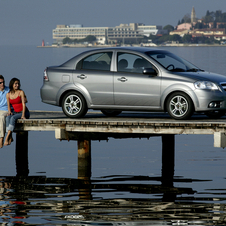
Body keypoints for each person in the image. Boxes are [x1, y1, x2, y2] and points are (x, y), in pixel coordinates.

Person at [4, 78, 29, 146]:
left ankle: (7, 137)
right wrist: (9, 112)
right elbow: (9, 105)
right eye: (16, 84)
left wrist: (23, 115)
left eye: (18, 84)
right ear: (12, 84)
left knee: (13, 118)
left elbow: (24, 105)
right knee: (8, 118)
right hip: (15, 112)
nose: (17, 85)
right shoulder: (8, 94)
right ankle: (11, 137)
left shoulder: (21, 92)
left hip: (24, 112)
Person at [0, 75, 9, 148]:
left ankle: (1, 138)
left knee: (2, 117)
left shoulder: (8, 90)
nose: (2, 84)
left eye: (3, 82)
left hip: (6, 109)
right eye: (0, 83)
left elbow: (18, 93)